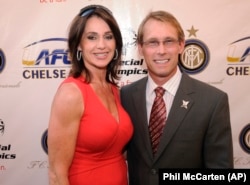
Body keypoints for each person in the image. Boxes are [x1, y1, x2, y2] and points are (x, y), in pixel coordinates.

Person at [120, 10, 234, 185]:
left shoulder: (212, 101)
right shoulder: (125, 96)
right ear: (140, 49)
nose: (161, 51)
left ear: (181, 45)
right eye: (152, 43)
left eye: (169, 41)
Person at [47, 4, 133, 185]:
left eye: (108, 37)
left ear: (116, 43)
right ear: (79, 45)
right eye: (92, 37)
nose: (101, 45)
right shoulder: (71, 93)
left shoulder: (113, 90)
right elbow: (56, 174)